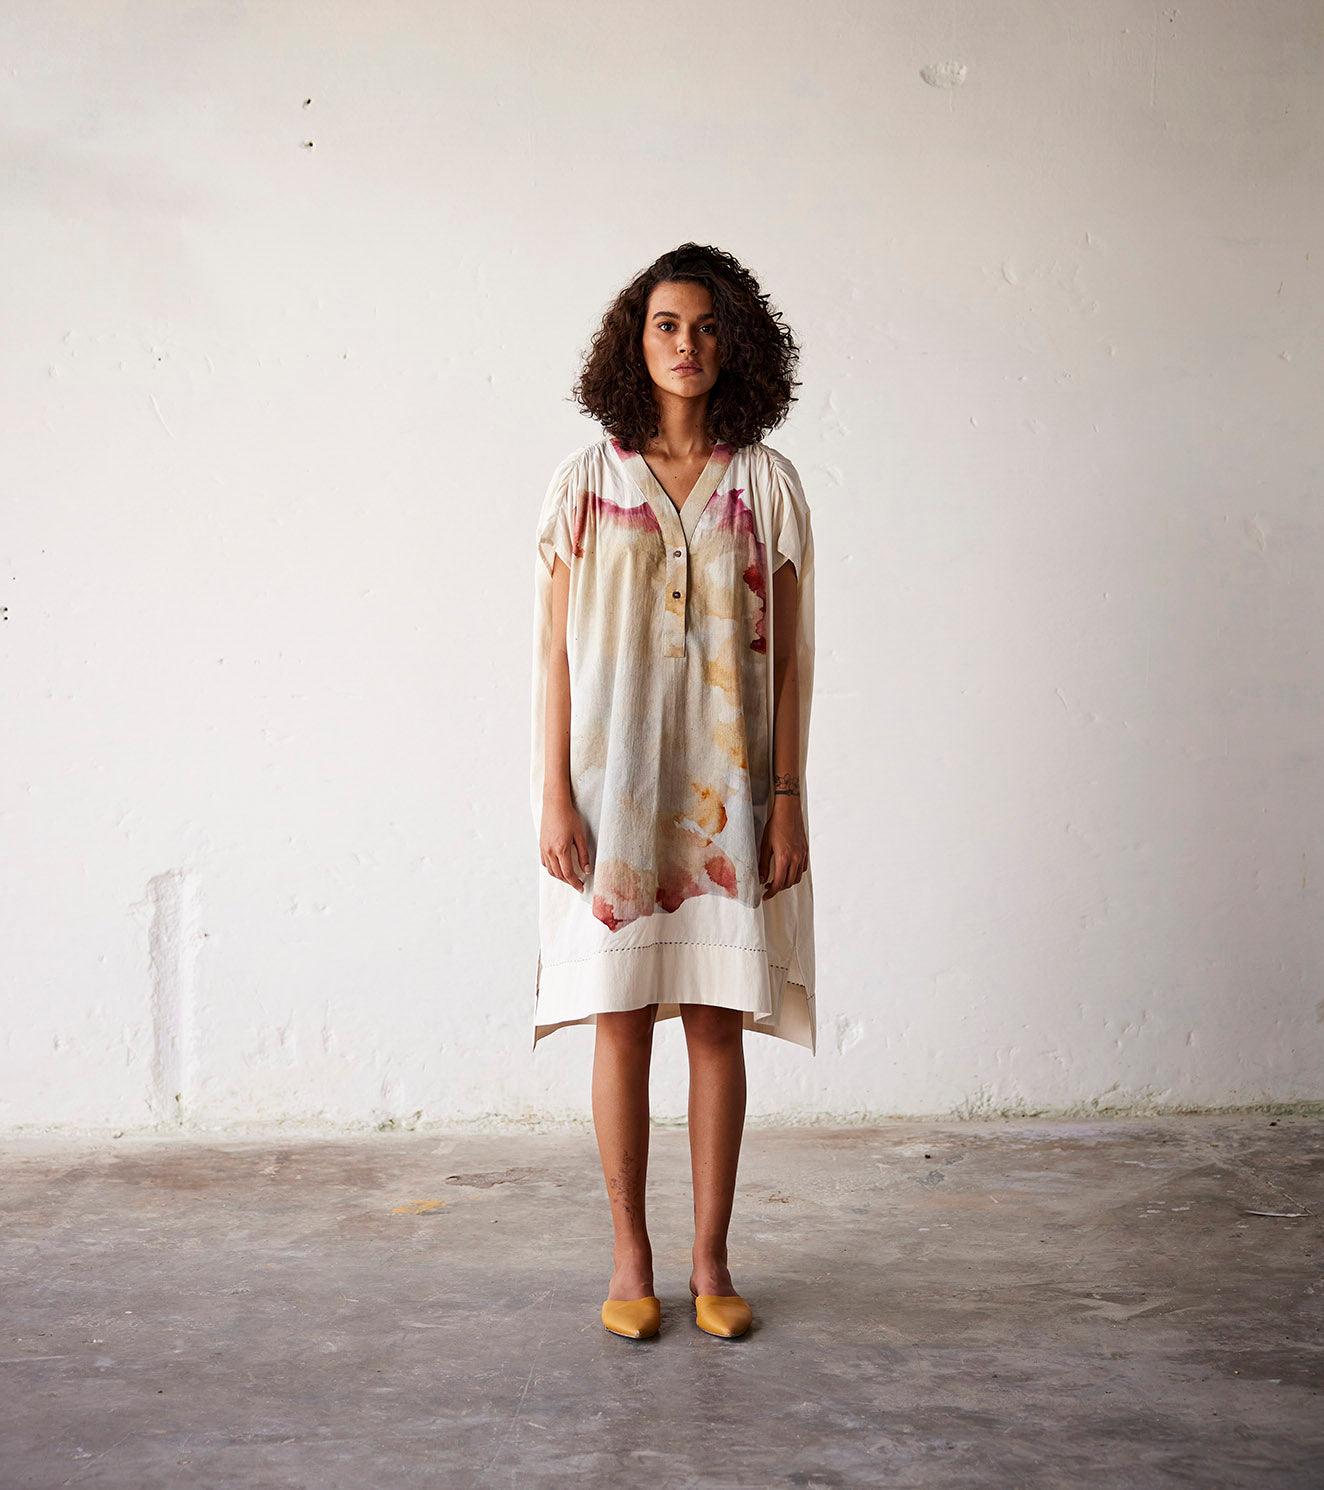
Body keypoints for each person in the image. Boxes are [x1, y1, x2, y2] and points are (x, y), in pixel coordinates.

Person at [530, 243, 817, 1342]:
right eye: (665, 324)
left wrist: (786, 797)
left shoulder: (766, 487)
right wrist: (553, 796)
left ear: (733, 342)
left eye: (704, 326)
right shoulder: (587, 483)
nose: (685, 344)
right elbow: (554, 656)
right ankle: (629, 1257)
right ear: (634, 340)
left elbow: (791, 662)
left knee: (713, 1021)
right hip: (612, 796)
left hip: (729, 796)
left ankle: (710, 1260)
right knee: (617, 1019)